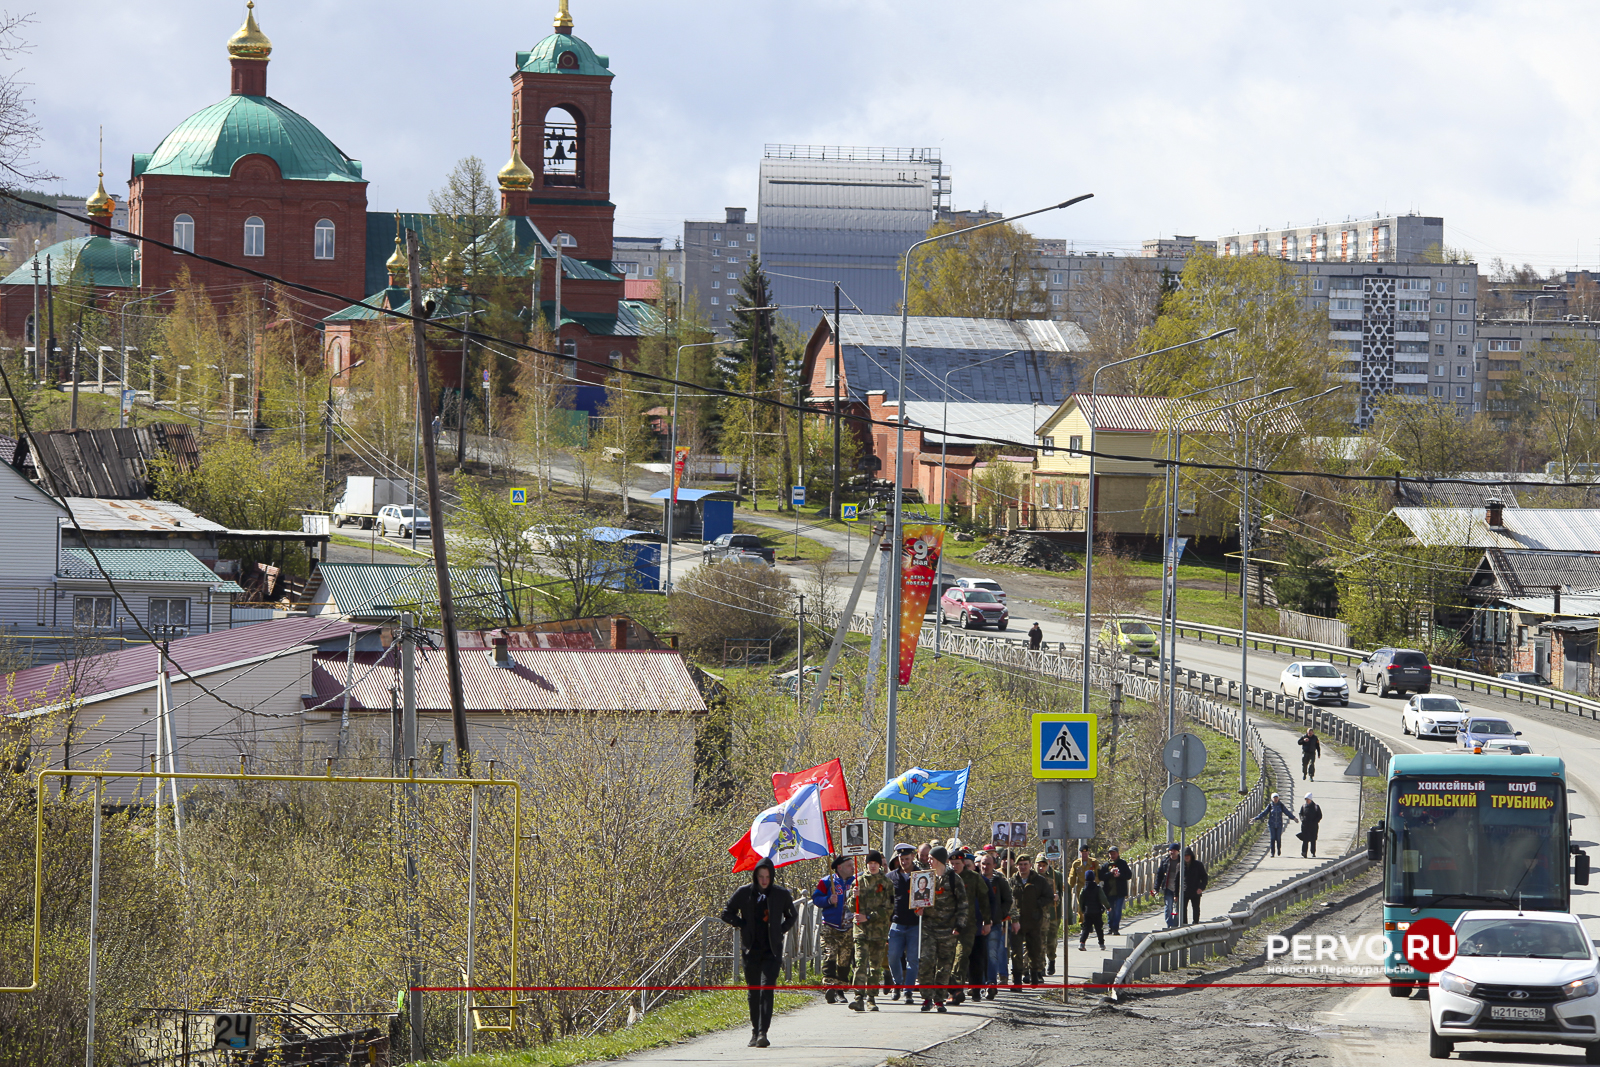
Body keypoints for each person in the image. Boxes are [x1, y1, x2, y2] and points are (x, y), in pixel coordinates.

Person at [720, 857, 796, 1049]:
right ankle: (755, 1031)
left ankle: (763, 1033)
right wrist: (742, 924)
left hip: (772, 950)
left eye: (767, 877)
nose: (764, 880)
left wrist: (781, 929)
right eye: (761, 876)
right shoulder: (744, 893)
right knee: (754, 992)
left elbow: (792, 915)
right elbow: (726, 912)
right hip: (751, 949)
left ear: (772, 877)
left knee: (766, 990)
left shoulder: (780, 894)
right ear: (755, 876)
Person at [915, 847, 968, 1012]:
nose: (929, 860)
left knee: (944, 966)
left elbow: (963, 904)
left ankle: (939, 999)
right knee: (926, 962)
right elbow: (917, 899)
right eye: (928, 858)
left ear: (940, 859)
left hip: (947, 929)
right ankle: (926, 998)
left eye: (932, 858)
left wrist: (959, 925)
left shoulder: (954, 879)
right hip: (928, 928)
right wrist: (918, 909)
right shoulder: (925, 877)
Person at [847, 850, 894, 1012]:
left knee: (875, 966)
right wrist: (854, 896)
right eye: (870, 863)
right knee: (860, 963)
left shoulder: (886, 884)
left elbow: (888, 908)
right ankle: (858, 997)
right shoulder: (859, 881)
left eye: (875, 863)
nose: (873, 866)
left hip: (879, 932)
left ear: (880, 865)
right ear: (866, 864)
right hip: (861, 931)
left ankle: (871, 998)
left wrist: (869, 917)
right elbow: (851, 907)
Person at [811, 855, 856, 1004]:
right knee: (829, 955)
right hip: (830, 926)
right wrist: (829, 900)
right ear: (840, 867)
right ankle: (829, 987)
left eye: (852, 864)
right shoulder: (826, 882)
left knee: (844, 959)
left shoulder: (856, 882)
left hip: (848, 927)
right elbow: (816, 899)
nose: (852, 867)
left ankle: (841, 990)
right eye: (849, 865)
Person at [949, 849, 989, 1005]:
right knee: (948, 957)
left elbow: (984, 900)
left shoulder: (973, 878)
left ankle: (957, 990)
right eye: (951, 863)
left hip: (968, 924)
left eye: (957, 863)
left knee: (961, 957)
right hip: (947, 924)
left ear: (963, 863)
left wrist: (987, 921)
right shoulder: (945, 877)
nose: (954, 866)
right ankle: (949, 989)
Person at [1008, 852, 1052, 988]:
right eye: (1020, 865)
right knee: (1016, 952)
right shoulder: (1012, 881)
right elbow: (1008, 899)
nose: (1023, 867)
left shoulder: (1039, 880)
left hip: (1034, 921)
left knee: (1034, 950)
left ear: (1030, 865)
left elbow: (1049, 896)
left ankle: (1034, 977)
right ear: (1016, 866)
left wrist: (1037, 904)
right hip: (1017, 921)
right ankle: (1017, 981)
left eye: (1025, 864)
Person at [887, 844, 921, 1000]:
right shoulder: (891, 877)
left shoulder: (922, 875)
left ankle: (908, 990)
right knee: (893, 956)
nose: (904, 862)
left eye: (907, 858)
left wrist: (924, 909)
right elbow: (886, 901)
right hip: (897, 923)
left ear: (913, 857)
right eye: (901, 859)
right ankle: (897, 984)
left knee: (912, 959)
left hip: (915, 923)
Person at [979, 850, 1013, 999]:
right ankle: (979, 984)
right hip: (977, 923)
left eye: (988, 864)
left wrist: (1000, 914)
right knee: (979, 955)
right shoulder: (976, 879)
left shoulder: (1000, 881)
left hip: (995, 924)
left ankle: (991, 984)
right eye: (983, 864)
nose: (985, 867)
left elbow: (1008, 900)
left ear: (994, 865)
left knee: (993, 954)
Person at [1098, 846, 1133, 936]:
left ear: (1118, 854)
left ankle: (1115, 928)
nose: (1112, 855)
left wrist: (1120, 875)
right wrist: (1110, 873)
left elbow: (1129, 875)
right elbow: (1101, 877)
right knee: (1110, 911)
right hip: (1108, 892)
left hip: (1119, 892)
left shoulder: (1122, 863)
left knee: (1117, 910)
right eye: (1110, 854)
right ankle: (1110, 927)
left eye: (1114, 853)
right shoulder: (1106, 865)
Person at [1042, 853, 1067, 974]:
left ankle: (1051, 959)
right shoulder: (1033, 876)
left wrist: (1057, 899)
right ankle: (1040, 966)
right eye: (1039, 864)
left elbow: (1063, 893)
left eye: (1044, 864)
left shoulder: (1056, 875)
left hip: (1053, 914)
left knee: (1051, 940)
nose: (1041, 867)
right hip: (1039, 915)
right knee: (1040, 940)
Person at [1252, 792, 1298, 857]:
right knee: (1272, 838)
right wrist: (1255, 819)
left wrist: (1293, 818)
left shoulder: (1281, 805)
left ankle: (1279, 849)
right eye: (1274, 798)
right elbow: (1264, 813)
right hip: (1271, 825)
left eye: (1276, 798)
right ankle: (1272, 852)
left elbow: (1287, 812)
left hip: (1279, 825)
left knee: (1278, 838)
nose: (1275, 799)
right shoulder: (1270, 806)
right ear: (1272, 799)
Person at [1078, 869, 1110, 951]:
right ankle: (1102, 944)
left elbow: (1081, 900)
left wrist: (1082, 910)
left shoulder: (1083, 889)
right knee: (1099, 928)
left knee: (1086, 928)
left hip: (1087, 912)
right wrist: (1108, 907)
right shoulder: (1098, 888)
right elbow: (1103, 899)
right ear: (1093, 878)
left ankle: (1082, 943)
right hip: (1097, 911)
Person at [1154, 843, 1182, 927]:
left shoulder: (1182, 861)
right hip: (1168, 887)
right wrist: (1156, 888)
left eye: (1174, 850)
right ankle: (1169, 924)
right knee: (1168, 906)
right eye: (1171, 850)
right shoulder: (1165, 861)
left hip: (1179, 888)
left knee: (1178, 907)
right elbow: (1159, 875)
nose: (1172, 852)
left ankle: (1176, 923)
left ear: (1178, 851)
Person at [1181, 847, 1208, 924]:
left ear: (1191, 856)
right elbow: (1176, 880)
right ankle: (1184, 924)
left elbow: (1204, 877)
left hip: (1196, 891)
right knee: (1183, 909)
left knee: (1196, 908)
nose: (1186, 857)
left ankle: (1195, 923)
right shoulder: (1180, 865)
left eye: (1188, 855)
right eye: (1185, 855)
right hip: (1184, 891)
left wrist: (1201, 888)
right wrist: (1176, 894)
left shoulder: (1198, 865)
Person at [1299, 792, 1323, 858]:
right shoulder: (1303, 806)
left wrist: (1315, 821)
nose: (1307, 801)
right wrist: (1302, 819)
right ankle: (1304, 852)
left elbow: (1320, 815)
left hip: (1313, 826)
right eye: (1306, 799)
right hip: (1305, 826)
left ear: (1311, 799)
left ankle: (1313, 852)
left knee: (1313, 840)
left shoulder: (1316, 806)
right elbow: (1300, 814)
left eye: (1308, 799)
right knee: (1305, 840)